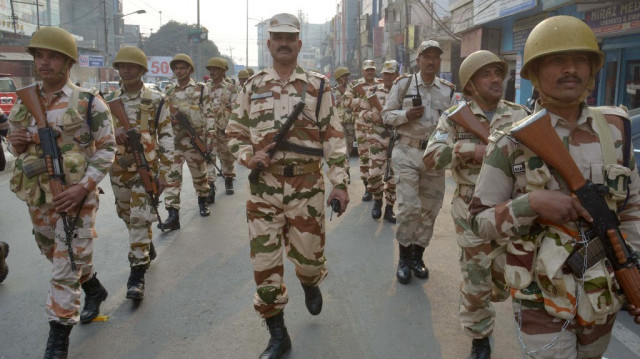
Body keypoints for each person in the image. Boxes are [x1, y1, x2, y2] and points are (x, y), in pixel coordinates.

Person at [469, 16, 640, 358]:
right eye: (557, 61)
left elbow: (632, 209)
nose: (571, 70)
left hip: (602, 295)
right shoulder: (511, 142)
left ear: (593, 70)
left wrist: (633, 273)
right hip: (539, 296)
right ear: (533, 73)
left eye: (580, 61)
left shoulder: (615, 129)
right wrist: (530, 203)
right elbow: (480, 221)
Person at [226, 13, 349, 359]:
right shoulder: (251, 87)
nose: (283, 42)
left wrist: (340, 184)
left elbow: (334, 137)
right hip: (263, 187)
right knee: (265, 263)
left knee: (309, 259)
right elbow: (234, 133)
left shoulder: (318, 85)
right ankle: (278, 333)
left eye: (289, 37)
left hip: (307, 185)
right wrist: (249, 156)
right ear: (269, 45)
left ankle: (310, 280)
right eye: (277, 37)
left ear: (299, 44)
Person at [6, 26, 115, 357]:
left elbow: (107, 149)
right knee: (53, 251)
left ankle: (58, 337)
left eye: (52, 56)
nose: (44, 62)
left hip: (76, 199)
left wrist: (84, 187)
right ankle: (94, 288)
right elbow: (13, 140)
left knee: (65, 264)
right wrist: (18, 141)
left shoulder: (88, 103)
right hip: (38, 197)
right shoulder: (25, 102)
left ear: (68, 62)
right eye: (39, 56)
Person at [424, 50, 530, 359]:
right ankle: (479, 337)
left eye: (498, 73)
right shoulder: (455, 118)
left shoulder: (521, 115)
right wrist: (472, 150)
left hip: (515, 206)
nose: (496, 79)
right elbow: (430, 157)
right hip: (472, 209)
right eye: (486, 74)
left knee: (509, 276)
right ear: (470, 84)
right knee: (477, 277)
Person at [105, 46, 178, 300]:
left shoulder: (156, 99)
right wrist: (111, 133)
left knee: (139, 218)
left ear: (141, 70)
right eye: (121, 66)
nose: (125, 70)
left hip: (147, 169)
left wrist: (166, 174)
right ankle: (145, 246)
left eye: (131, 66)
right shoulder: (108, 100)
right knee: (127, 216)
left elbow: (167, 137)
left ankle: (136, 274)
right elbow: (94, 135)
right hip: (118, 170)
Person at [382, 40, 455, 284]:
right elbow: (386, 115)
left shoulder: (448, 90)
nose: (431, 61)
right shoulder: (403, 84)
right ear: (419, 59)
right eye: (427, 56)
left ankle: (417, 257)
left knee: (429, 210)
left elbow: (456, 123)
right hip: (407, 152)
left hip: (434, 156)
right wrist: (405, 115)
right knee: (408, 207)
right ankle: (403, 259)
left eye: (436, 56)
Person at [161, 53, 212, 229]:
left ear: (190, 69)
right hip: (174, 141)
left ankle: (203, 201)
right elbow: (162, 117)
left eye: (183, 67)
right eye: (176, 68)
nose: (179, 71)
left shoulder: (201, 89)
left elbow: (208, 113)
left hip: (193, 140)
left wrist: (209, 137)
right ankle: (172, 214)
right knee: (172, 176)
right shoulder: (168, 91)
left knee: (200, 174)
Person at [359, 60, 399, 223]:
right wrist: (372, 116)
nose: (388, 77)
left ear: (397, 75)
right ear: (382, 74)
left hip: (397, 139)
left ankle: (389, 208)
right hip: (377, 139)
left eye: (391, 74)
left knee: (393, 178)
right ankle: (377, 199)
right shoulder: (372, 90)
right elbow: (362, 113)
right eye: (386, 74)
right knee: (374, 175)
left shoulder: (402, 92)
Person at [344, 59, 382, 202]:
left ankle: (378, 187)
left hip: (379, 127)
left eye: (372, 69)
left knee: (379, 159)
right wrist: (363, 101)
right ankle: (367, 188)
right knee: (365, 157)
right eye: (367, 70)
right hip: (362, 126)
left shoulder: (382, 84)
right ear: (363, 71)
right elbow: (345, 101)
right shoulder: (355, 85)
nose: (370, 72)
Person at [204, 57, 238, 198]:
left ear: (222, 71)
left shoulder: (231, 88)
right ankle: (210, 186)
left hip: (224, 129)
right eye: (210, 69)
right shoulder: (204, 88)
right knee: (209, 158)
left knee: (227, 157)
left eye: (215, 69)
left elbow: (236, 109)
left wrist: (231, 128)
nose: (212, 72)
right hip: (208, 131)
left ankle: (228, 180)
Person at [333, 67, 356, 159]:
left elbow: (353, 102)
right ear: (339, 78)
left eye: (347, 76)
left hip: (350, 122)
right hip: (339, 122)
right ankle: (344, 167)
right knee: (343, 146)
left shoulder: (351, 90)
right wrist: (337, 101)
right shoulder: (333, 90)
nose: (347, 78)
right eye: (344, 76)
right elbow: (331, 104)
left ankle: (346, 164)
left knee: (350, 146)